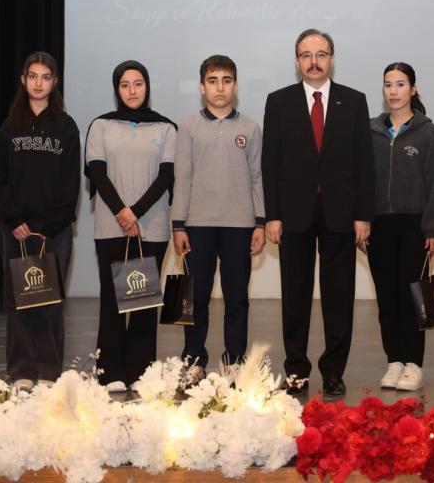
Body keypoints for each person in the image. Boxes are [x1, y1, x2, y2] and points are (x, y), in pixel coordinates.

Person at [262, 28, 374, 396]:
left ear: (332, 58)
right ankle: (296, 369)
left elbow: (364, 162)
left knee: (339, 296)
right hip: (293, 215)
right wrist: (273, 215)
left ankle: (333, 370)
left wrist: (363, 215)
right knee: (295, 295)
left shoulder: (354, 101)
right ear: (297, 61)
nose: (314, 61)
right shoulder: (278, 102)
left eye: (321, 54)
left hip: (341, 214)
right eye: (306, 55)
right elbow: (270, 162)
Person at [0, 51, 80, 391]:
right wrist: (13, 219)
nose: (39, 83)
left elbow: (71, 183)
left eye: (45, 77)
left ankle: (49, 371)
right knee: (18, 301)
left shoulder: (66, 127)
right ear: (23, 80)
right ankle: (21, 371)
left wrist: (51, 226)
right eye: (33, 76)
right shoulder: (9, 127)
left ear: (54, 82)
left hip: (54, 231)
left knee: (50, 300)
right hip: (16, 230)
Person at [85, 60, 177, 393]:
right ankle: (109, 372)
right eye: (125, 85)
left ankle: (140, 371)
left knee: (144, 302)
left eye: (138, 83)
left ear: (147, 86)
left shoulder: (166, 128)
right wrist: (122, 213)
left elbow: (166, 176)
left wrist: (135, 213)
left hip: (152, 227)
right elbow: (97, 173)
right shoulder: (101, 126)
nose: (132, 90)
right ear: (117, 89)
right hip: (111, 226)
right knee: (113, 300)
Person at [171, 55, 266, 379]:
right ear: (202, 87)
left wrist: (260, 222)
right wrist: (178, 224)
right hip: (197, 225)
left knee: (237, 297)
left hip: (240, 225)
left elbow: (257, 177)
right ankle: (194, 358)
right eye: (212, 81)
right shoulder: (188, 126)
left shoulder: (250, 128)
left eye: (226, 80)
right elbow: (182, 177)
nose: (220, 87)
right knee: (194, 297)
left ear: (235, 86)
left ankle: (235, 359)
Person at [366, 62, 434, 391]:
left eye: (400, 84)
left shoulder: (428, 133)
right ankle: (394, 361)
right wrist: (362, 221)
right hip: (379, 227)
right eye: (388, 84)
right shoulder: (371, 131)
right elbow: (360, 180)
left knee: (412, 297)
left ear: (413, 89)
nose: (394, 91)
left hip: (415, 227)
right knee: (387, 298)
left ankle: (414, 363)